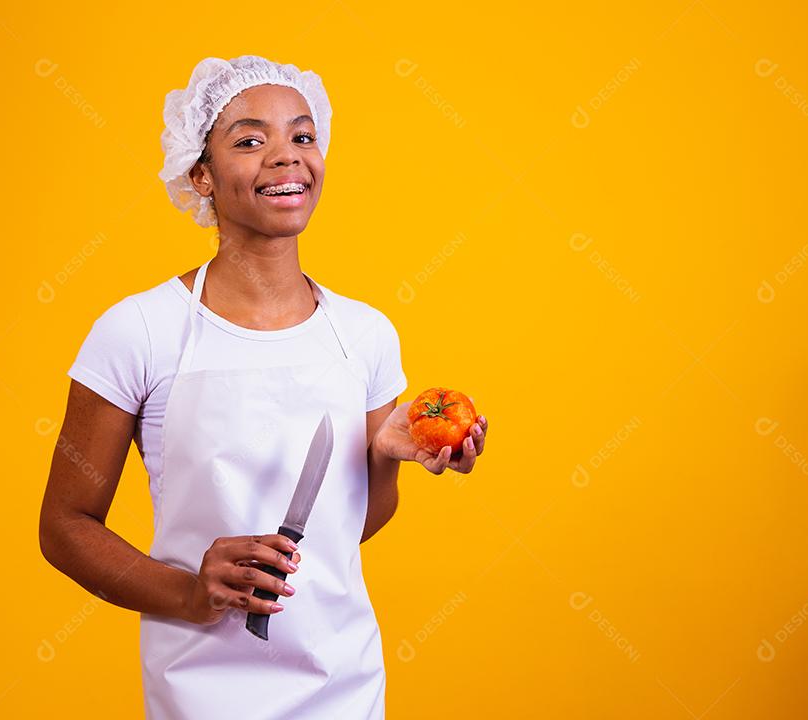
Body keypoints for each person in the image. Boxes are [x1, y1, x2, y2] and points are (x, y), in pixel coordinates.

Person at [38, 54, 489, 719]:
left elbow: (347, 530)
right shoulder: (140, 330)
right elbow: (64, 526)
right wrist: (190, 593)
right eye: (250, 140)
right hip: (200, 687)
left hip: (343, 684)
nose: (286, 156)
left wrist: (385, 461)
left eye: (303, 136)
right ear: (200, 174)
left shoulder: (364, 334)